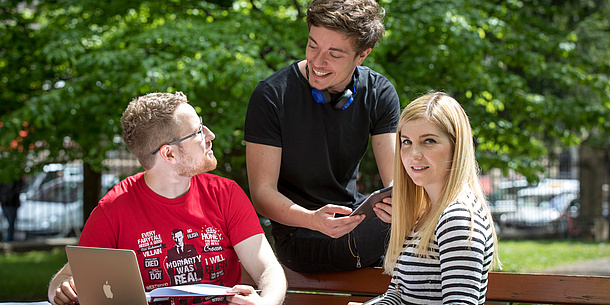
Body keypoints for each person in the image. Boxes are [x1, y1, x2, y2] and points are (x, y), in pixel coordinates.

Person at [48, 92, 286, 305]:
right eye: (197, 132)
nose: (210, 135)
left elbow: (268, 271)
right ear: (169, 153)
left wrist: (265, 303)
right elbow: (66, 278)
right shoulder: (112, 209)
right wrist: (62, 289)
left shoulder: (225, 194)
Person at [244, 0, 400, 274]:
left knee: (429, 218)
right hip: (299, 233)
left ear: (362, 55)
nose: (318, 61)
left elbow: (394, 184)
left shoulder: (379, 93)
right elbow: (262, 194)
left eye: (335, 54)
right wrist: (313, 220)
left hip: (353, 219)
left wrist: (398, 210)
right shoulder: (270, 96)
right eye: (312, 45)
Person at [351, 92, 501, 305]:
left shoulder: (457, 219)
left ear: (456, 147)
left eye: (428, 141)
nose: (414, 154)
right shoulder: (424, 213)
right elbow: (399, 293)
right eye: (406, 142)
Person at [0, 177, 23, 242]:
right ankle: (9, 238)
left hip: (12, 203)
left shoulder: (15, 179)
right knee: (9, 222)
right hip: (6, 203)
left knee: (11, 222)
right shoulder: (4, 179)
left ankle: (9, 238)